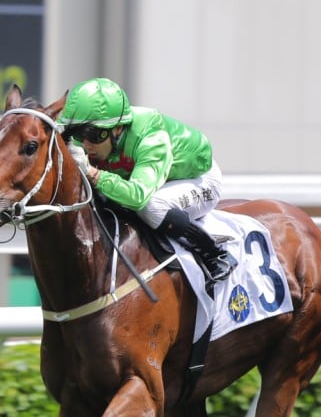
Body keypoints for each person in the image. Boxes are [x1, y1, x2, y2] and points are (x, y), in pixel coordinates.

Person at [57, 77, 236, 282]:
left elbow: (138, 197)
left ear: (118, 129)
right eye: (79, 135)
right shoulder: (99, 138)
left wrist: (93, 173)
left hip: (199, 180)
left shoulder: (151, 137)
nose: (86, 144)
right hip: (152, 179)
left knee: (151, 206)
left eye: (94, 135)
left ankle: (214, 254)